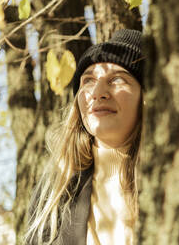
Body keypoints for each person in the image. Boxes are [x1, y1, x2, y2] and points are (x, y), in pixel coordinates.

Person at [25, 29, 144, 245]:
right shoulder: (54, 195)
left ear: (147, 97)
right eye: (88, 80)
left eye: (117, 79)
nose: (98, 92)